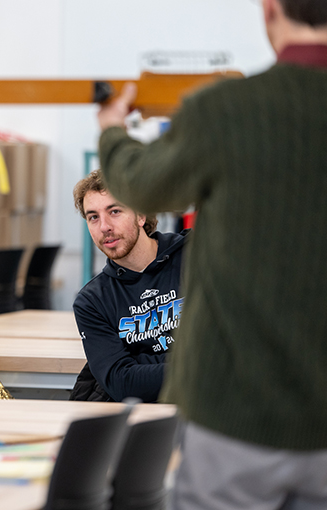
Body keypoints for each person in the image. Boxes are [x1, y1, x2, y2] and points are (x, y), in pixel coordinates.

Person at [96, 0, 327, 506]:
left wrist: (112, 131)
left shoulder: (228, 109)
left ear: (270, 10)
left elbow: (143, 184)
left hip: (234, 410)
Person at [69, 170, 186, 403]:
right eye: (93, 217)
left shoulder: (195, 256)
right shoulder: (92, 300)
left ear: (141, 215)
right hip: (139, 423)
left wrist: (137, 362)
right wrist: (197, 365)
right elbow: (121, 383)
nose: (104, 227)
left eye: (114, 211)